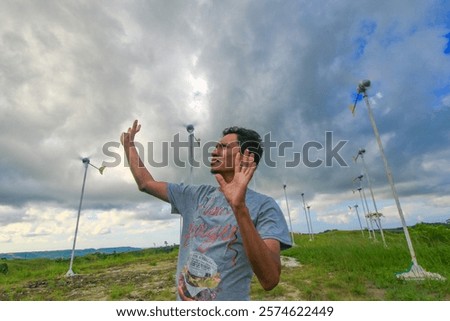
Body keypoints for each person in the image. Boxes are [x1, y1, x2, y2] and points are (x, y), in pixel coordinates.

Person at [121, 120, 292, 301]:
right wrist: (129, 146)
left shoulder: (265, 206)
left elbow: (270, 279)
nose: (213, 151)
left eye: (223, 147)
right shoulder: (195, 195)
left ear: (246, 156)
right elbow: (146, 183)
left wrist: (239, 207)